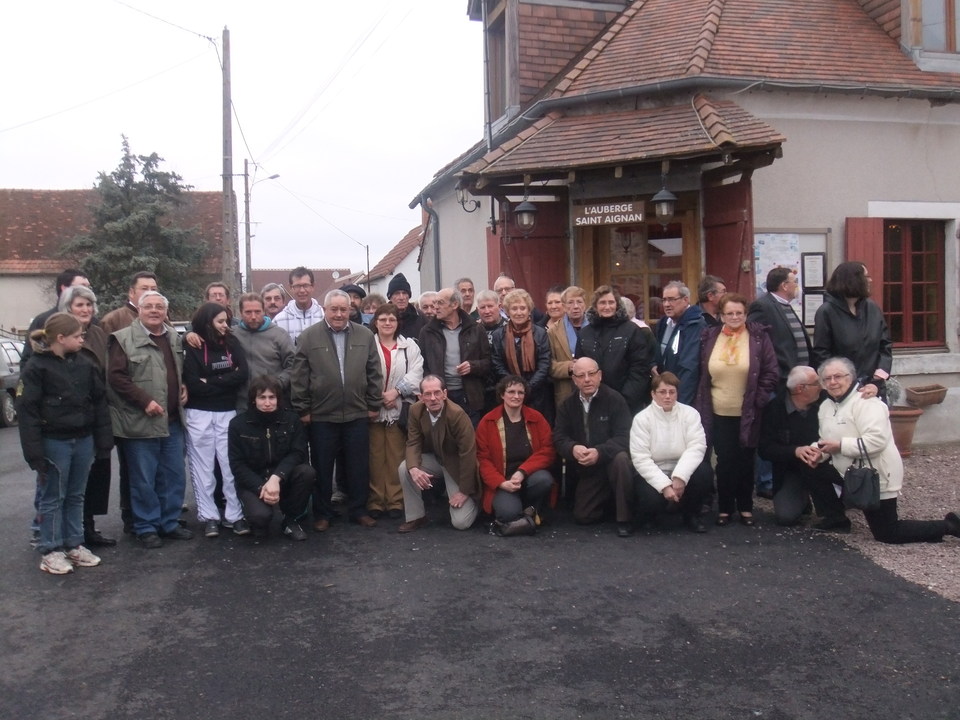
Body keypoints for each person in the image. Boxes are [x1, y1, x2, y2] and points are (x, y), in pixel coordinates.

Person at [817, 357, 960, 544]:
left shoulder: (868, 403)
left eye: (838, 376)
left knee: (887, 533)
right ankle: (835, 518)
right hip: (848, 471)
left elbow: (876, 442)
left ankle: (949, 526)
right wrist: (816, 451)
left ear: (851, 377)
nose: (833, 382)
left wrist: (840, 446)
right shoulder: (826, 406)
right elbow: (825, 439)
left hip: (876, 474)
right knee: (809, 464)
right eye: (827, 379)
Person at [18, 313, 112, 574]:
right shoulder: (36, 368)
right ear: (60, 338)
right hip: (54, 442)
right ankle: (50, 549)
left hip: (83, 439)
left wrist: (103, 440)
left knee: (76, 494)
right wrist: (34, 452)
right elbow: (27, 411)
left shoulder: (84, 364)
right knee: (53, 497)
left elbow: (99, 403)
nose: (82, 339)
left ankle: (74, 544)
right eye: (77, 336)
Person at [107, 290, 193, 549]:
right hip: (140, 421)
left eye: (160, 307)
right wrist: (144, 401)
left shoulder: (174, 339)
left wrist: (185, 385)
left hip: (172, 420)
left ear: (166, 312)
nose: (155, 311)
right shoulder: (122, 339)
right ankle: (146, 526)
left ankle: (169, 522)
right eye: (149, 307)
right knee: (143, 478)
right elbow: (116, 378)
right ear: (139, 310)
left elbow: (179, 369)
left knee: (174, 475)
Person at [291, 289, 382, 531]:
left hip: (357, 412)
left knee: (358, 466)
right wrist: (303, 409)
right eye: (334, 309)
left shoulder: (364, 334)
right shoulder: (309, 337)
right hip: (322, 415)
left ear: (350, 310)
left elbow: (374, 371)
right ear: (325, 309)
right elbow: (299, 377)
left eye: (344, 309)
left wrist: (373, 404)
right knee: (322, 467)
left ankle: (358, 510)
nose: (340, 314)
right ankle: (323, 513)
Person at [695, 293, 778, 526]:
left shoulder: (758, 337)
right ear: (721, 315)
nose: (734, 317)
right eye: (729, 313)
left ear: (746, 314)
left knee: (745, 460)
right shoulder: (709, 336)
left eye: (738, 313)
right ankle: (724, 508)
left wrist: (759, 399)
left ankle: (745, 507)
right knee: (724, 461)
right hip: (718, 410)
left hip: (749, 411)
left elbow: (771, 372)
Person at [98, 270, 159, 534]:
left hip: (158, 411)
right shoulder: (114, 320)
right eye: (143, 288)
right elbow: (109, 369)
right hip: (128, 409)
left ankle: (153, 515)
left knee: (154, 468)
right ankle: (131, 516)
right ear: (131, 293)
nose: (149, 292)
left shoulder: (160, 318)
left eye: (153, 287)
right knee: (133, 468)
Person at [182, 302, 250, 537]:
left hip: (226, 411)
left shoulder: (231, 343)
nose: (225, 326)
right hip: (199, 413)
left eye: (226, 321)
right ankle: (210, 516)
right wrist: (224, 380)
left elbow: (242, 374)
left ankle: (234, 515)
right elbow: (192, 384)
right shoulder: (192, 344)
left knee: (230, 465)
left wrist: (209, 381)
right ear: (207, 321)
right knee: (204, 467)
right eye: (220, 321)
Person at [758, 365, 849, 530]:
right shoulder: (775, 409)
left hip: (824, 463)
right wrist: (795, 451)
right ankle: (803, 499)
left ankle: (835, 514)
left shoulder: (826, 402)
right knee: (786, 517)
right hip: (790, 469)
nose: (822, 386)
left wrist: (871, 388)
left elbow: (851, 394)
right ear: (801, 388)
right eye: (817, 383)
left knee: (852, 490)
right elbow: (765, 449)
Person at [59, 285, 115, 547]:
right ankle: (65, 534)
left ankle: (89, 527)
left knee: (97, 474)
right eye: (80, 305)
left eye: (89, 305)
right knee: (70, 480)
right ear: (68, 307)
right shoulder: (59, 333)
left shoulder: (98, 333)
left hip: (99, 413)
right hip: (69, 417)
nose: (86, 310)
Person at [553, 357, 636, 535]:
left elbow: (625, 436)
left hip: (611, 461)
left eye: (591, 374)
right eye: (581, 375)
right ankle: (608, 501)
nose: (587, 379)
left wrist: (600, 452)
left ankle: (624, 519)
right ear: (574, 380)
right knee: (583, 516)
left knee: (621, 459)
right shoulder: (567, 405)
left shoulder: (615, 400)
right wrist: (573, 448)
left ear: (600, 376)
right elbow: (559, 438)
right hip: (587, 468)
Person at [228, 376, 316, 540]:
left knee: (307, 472)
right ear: (254, 400)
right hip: (254, 481)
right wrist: (261, 487)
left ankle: (290, 520)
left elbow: (298, 453)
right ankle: (257, 516)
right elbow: (237, 465)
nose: (267, 403)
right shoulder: (237, 425)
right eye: (262, 397)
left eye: (272, 397)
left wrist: (277, 478)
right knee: (260, 519)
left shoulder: (291, 419)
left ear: (278, 399)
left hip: (282, 477)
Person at [630, 372, 713, 533]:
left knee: (704, 473)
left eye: (672, 392)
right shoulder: (641, 419)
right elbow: (641, 458)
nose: (667, 396)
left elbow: (697, 447)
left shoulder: (690, 414)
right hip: (655, 471)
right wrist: (665, 486)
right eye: (662, 392)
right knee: (651, 499)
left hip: (682, 470)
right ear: (653, 394)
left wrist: (680, 477)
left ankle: (691, 515)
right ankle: (651, 517)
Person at [397, 375, 481, 533]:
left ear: (445, 394)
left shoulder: (457, 415)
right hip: (436, 460)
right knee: (405, 468)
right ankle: (416, 516)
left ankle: (476, 504)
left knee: (461, 523)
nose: (433, 398)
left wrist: (464, 491)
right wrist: (414, 468)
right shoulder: (415, 410)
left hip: (457, 465)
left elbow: (468, 454)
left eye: (437, 393)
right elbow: (413, 442)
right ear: (420, 397)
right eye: (428, 394)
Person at [476, 376, 556, 535]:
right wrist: (500, 483)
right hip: (503, 481)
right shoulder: (488, 421)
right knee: (507, 514)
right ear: (502, 395)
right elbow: (482, 459)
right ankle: (529, 515)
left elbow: (548, 450)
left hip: (529, 478)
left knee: (544, 479)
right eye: (511, 391)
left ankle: (530, 509)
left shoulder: (537, 418)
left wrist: (522, 472)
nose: (516, 396)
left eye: (520, 392)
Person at [369, 303, 423, 519]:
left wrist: (397, 392)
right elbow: (361, 373)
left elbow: (417, 372)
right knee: (374, 458)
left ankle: (395, 501)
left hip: (398, 409)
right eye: (383, 319)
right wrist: (378, 398)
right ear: (376, 322)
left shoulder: (409, 346)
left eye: (391, 319)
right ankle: (375, 500)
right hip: (372, 411)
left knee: (396, 457)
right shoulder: (367, 345)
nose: (387, 323)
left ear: (397, 323)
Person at [813, 261, 892, 401]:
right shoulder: (826, 312)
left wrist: (877, 380)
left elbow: (885, 346)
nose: (870, 280)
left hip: (873, 389)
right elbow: (822, 353)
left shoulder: (872, 308)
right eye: (865, 277)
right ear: (852, 280)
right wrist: (842, 382)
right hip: (841, 391)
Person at [576, 285, 654, 414]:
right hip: (592, 404)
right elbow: (579, 367)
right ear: (595, 306)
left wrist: (624, 399)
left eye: (611, 302)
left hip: (626, 404)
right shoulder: (585, 334)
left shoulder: (631, 330)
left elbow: (639, 368)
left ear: (617, 305)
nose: (607, 307)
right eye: (602, 303)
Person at [418, 287, 491, 426]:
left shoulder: (476, 329)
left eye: (440, 303)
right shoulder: (427, 332)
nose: (435, 307)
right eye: (435, 303)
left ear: (454, 305)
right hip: (440, 396)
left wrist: (473, 366)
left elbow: (488, 362)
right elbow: (423, 365)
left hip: (470, 396)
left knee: (470, 439)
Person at [491, 288, 552, 419]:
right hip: (509, 393)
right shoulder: (498, 335)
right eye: (514, 308)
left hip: (538, 395)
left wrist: (527, 387)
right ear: (507, 312)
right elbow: (497, 364)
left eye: (523, 308)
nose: (519, 312)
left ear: (529, 310)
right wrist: (514, 387)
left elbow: (544, 363)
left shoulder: (540, 333)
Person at [748, 267, 812, 386]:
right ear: (784, 285)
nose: (797, 286)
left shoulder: (786, 306)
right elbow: (756, 343)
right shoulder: (763, 306)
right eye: (795, 282)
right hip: (781, 380)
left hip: (800, 380)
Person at [234, 292, 295, 409]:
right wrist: (188, 335)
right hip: (242, 403)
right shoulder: (233, 335)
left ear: (264, 311)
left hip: (271, 402)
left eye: (257, 312)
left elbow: (293, 364)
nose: (253, 316)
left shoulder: (279, 335)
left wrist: (278, 383)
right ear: (241, 313)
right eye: (248, 312)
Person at [21, 269, 91, 366]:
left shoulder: (94, 324)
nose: (86, 291)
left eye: (88, 287)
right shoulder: (45, 321)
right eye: (82, 286)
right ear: (64, 289)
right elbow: (27, 360)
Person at [654, 281, 706, 405]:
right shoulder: (663, 323)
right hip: (664, 393)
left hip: (683, 397)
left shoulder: (695, 324)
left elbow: (689, 367)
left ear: (686, 300)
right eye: (664, 300)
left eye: (672, 300)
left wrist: (680, 403)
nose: (666, 304)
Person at [547, 285, 587, 408]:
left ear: (585, 305)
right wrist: (569, 366)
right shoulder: (553, 332)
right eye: (570, 303)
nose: (575, 307)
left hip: (592, 388)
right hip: (566, 391)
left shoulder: (596, 329)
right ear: (564, 307)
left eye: (579, 302)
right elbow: (549, 365)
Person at [273, 266, 325, 344]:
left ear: (313, 286)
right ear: (291, 288)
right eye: (297, 286)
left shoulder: (324, 316)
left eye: (305, 285)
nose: (302, 290)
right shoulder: (279, 321)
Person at [387, 273, 426, 341]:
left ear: (409, 296)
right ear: (390, 297)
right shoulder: (382, 317)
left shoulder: (419, 317)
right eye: (397, 293)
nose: (401, 297)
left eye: (404, 293)